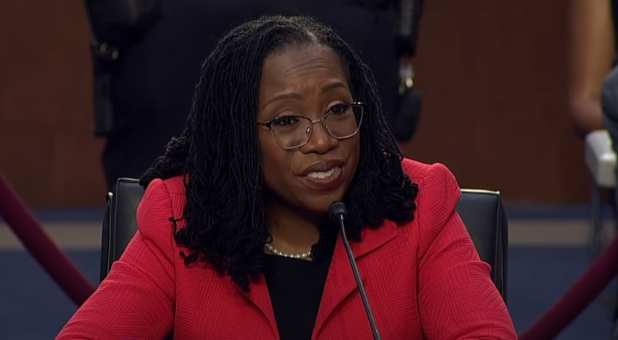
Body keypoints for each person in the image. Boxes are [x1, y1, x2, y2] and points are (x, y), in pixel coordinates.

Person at [58, 16, 516, 339]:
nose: (321, 141)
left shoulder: (418, 206)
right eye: (286, 121)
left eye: (338, 110)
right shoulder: (182, 218)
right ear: (239, 137)